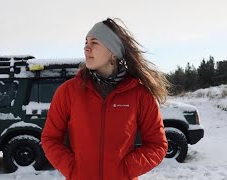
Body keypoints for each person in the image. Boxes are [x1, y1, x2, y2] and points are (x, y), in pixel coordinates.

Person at [41, 18, 169, 180]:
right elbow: (50, 138)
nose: (86, 48)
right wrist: (73, 169)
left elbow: (157, 144)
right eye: (86, 42)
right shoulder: (68, 92)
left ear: (113, 53)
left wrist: (127, 169)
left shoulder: (139, 94)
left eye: (94, 43)